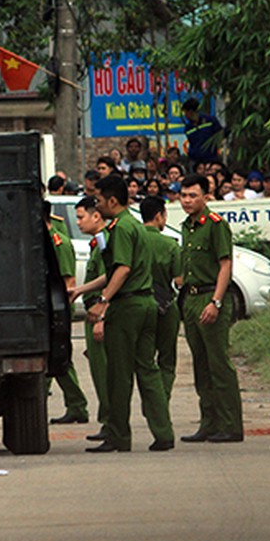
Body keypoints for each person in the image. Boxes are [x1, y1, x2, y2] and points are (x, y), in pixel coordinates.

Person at [67, 175, 175, 453]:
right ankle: (163, 433)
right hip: (146, 304)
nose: (97, 204)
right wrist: (82, 290)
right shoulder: (133, 225)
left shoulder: (120, 229)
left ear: (112, 201)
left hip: (127, 308)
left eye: (99, 200)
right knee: (148, 370)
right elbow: (111, 272)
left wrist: (103, 302)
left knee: (118, 374)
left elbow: (122, 270)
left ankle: (118, 436)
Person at [177, 174, 245, 443]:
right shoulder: (186, 226)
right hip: (191, 300)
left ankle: (231, 425)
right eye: (183, 195)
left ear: (206, 197)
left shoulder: (215, 225)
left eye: (193, 195)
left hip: (210, 298)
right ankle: (209, 423)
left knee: (219, 364)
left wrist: (216, 302)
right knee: (201, 365)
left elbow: (225, 265)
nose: (187, 201)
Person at [44, 200, 89, 425]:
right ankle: (75, 405)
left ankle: (76, 405)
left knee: (56, 357)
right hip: (49, 308)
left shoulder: (57, 243)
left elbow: (68, 280)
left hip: (57, 309)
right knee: (56, 358)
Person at [75, 196, 112, 442]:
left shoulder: (105, 242)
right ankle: (108, 423)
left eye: (81, 217)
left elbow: (112, 278)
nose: (78, 222)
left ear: (96, 216)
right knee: (100, 374)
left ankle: (111, 424)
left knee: (106, 374)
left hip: (101, 313)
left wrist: (102, 316)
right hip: (93, 311)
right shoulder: (96, 242)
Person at [140, 196, 182, 400]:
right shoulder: (170, 244)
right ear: (159, 216)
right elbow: (180, 279)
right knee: (166, 359)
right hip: (165, 306)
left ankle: (150, 401)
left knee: (145, 360)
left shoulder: (133, 239)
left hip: (139, 305)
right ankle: (161, 400)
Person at [182, 98, 226, 166]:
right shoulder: (188, 128)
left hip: (211, 158)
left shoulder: (210, 121)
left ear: (190, 112)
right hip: (195, 160)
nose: (185, 115)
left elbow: (220, 134)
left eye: (185, 112)